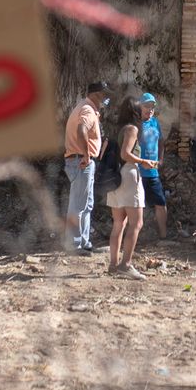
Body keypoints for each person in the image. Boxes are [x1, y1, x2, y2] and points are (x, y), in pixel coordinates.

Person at [105, 96, 156, 279]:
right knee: (137, 223)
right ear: (136, 111)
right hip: (128, 175)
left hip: (114, 177)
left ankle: (113, 265)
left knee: (119, 223)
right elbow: (126, 154)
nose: (146, 110)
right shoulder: (132, 129)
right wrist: (144, 161)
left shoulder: (117, 129)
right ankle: (126, 265)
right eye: (142, 108)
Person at [63, 81, 110, 253]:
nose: (106, 99)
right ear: (96, 94)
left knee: (86, 204)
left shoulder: (85, 108)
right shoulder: (88, 110)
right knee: (78, 205)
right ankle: (74, 245)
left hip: (79, 160)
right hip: (81, 161)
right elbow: (81, 130)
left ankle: (84, 242)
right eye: (104, 95)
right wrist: (86, 155)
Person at [137, 92, 172, 240]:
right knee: (136, 206)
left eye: (152, 107)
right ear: (140, 107)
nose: (150, 109)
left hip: (152, 172)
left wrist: (161, 159)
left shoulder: (155, 122)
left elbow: (161, 141)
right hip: (137, 172)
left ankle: (164, 236)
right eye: (147, 106)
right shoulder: (135, 124)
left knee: (160, 202)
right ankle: (134, 237)